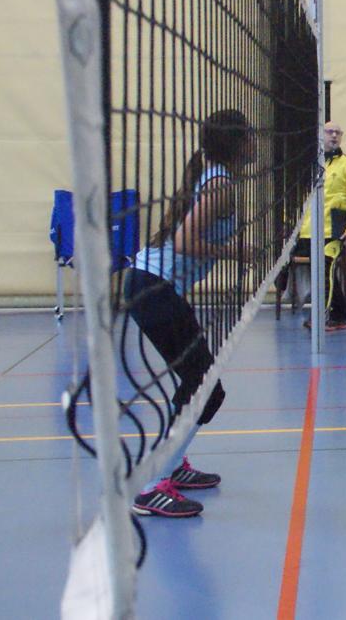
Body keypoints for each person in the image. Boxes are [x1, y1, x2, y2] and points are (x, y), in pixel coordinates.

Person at [125, 109, 253, 518]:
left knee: (200, 384)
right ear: (236, 144)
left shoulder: (217, 177)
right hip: (153, 289)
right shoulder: (219, 185)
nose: (256, 142)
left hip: (157, 289)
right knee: (205, 388)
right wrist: (237, 252)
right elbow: (182, 243)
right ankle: (148, 486)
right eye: (250, 136)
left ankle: (172, 465)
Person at [294, 120, 346, 331]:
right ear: (320, 135)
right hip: (309, 230)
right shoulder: (310, 164)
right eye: (329, 132)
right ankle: (340, 314)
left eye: (338, 133)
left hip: (333, 231)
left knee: (324, 270)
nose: (334, 135)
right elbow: (300, 198)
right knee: (322, 272)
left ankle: (319, 317)